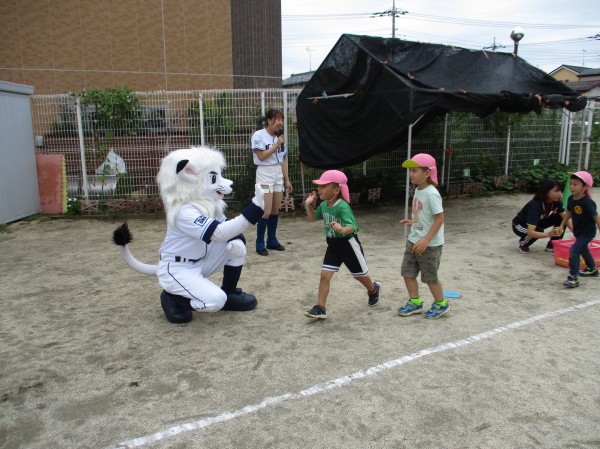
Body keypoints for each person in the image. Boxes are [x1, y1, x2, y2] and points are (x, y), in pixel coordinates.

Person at [303, 170, 381, 319]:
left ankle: (373, 290)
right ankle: (320, 308)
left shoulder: (342, 206)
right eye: (319, 186)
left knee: (359, 275)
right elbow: (313, 218)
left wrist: (342, 229)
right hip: (333, 244)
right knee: (324, 275)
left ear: (336, 190)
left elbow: (353, 227)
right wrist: (308, 204)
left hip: (348, 244)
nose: (319, 189)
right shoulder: (324, 205)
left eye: (323, 186)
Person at [396, 153, 449, 319]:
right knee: (407, 273)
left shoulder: (431, 193)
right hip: (413, 240)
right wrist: (413, 222)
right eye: (410, 171)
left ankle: (441, 304)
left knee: (430, 277)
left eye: (414, 170)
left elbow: (439, 218)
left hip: (429, 245)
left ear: (427, 173)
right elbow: (423, 214)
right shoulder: (418, 190)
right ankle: (415, 302)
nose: (411, 174)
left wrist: (426, 239)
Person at [251, 109, 293, 256]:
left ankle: (272, 240)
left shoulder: (279, 138)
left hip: (277, 174)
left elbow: (282, 160)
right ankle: (260, 242)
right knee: (266, 210)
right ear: (269, 121)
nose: (281, 123)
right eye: (278, 119)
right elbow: (261, 156)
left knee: (275, 210)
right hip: (264, 174)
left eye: (282, 120)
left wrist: (287, 179)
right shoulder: (259, 135)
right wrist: (277, 144)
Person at [558, 171, 600, 288]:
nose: (571, 187)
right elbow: (568, 212)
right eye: (571, 184)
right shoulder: (571, 199)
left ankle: (573, 278)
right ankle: (592, 268)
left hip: (587, 233)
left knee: (574, 251)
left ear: (585, 186)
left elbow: (597, 219)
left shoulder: (588, 202)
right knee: (583, 249)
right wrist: (562, 225)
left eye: (575, 184)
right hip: (578, 231)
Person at [512, 178, 571, 254]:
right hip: (520, 225)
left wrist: (578, 234)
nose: (559, 194)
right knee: (538, 230)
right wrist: (548, 234)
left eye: (560, 191)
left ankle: (552, 244)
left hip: (537, 222)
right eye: (556, 191)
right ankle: (524, 243)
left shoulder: (556, 202)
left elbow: (566, 218)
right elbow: (530, 232)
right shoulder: (535, 206)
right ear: (546, 192)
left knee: (562, 217)